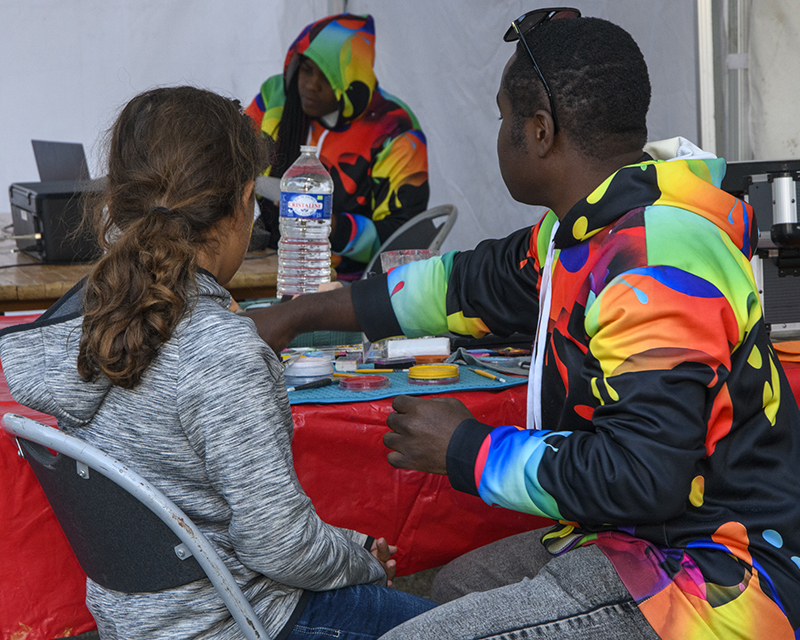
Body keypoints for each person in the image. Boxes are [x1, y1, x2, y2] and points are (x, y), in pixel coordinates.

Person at [245, 10, 800, 640]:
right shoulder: (582, 232)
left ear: (538, 132)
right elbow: (462, 286)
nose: (500, 133)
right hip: (631, 539)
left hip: (711, 578)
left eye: (504, 117)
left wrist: (466, 448)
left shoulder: (654, 259)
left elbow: (642, 476)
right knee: (454, 589)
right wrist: (296, 316)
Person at [0, 86, 435, 640]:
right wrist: (365, 563)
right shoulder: (220, 350)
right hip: (243, 621)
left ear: (117, 204)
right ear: (241, 204)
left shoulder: (87, 327)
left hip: (141, 624)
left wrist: (345, 547)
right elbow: (278, 545)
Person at [244, 13, 430, 278]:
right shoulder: (275, 97)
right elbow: (234, 158)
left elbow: (403, 238)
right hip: (273, 263)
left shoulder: (394, 128)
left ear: (353, 79)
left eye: (329, 77)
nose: (311, 85)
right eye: (306, 69)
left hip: (349, 285)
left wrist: (333, 225)